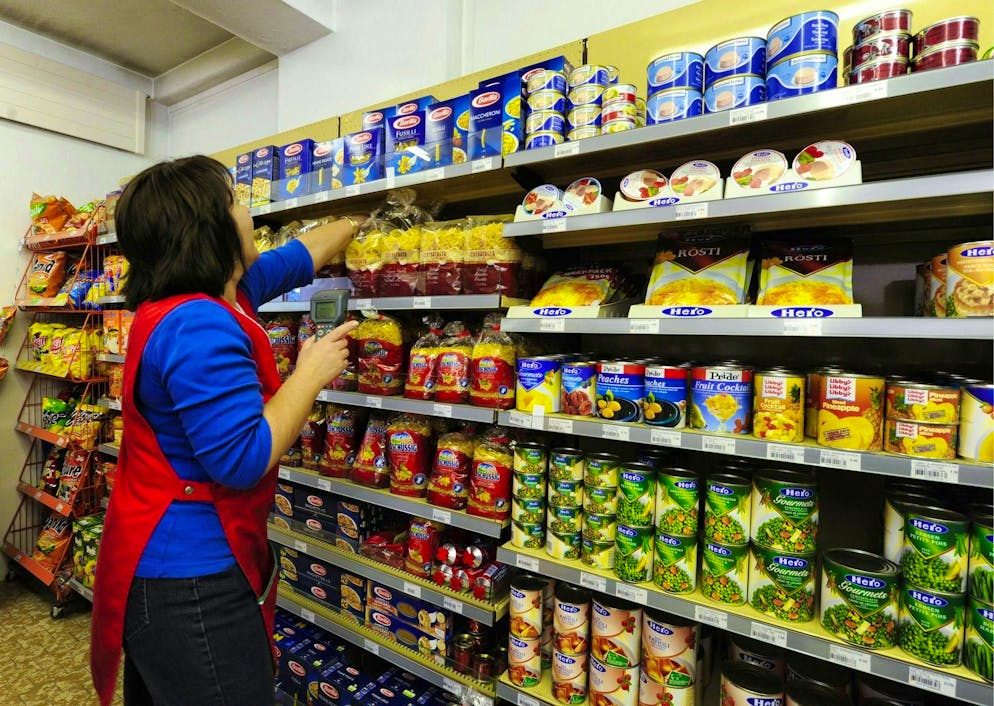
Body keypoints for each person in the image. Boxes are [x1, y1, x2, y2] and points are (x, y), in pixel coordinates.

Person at [90, 155, 364, 706]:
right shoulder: (198, 324)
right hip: (190, 580)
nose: (250, 213)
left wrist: (367, 218)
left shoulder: (218, 293)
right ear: (209, 228)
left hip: (159, 561)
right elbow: (241, 458)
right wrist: (308, 375)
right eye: (238, 202)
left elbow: (300, 255)